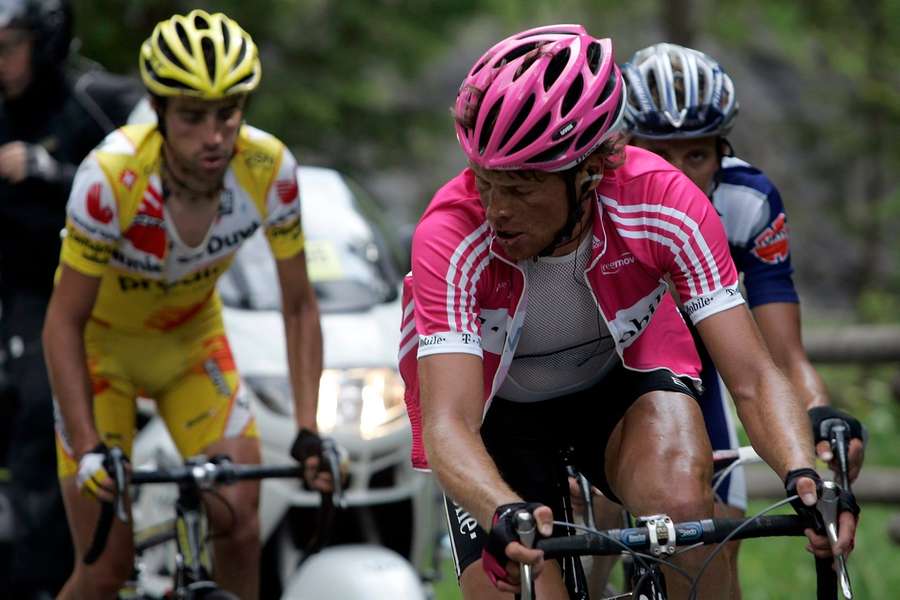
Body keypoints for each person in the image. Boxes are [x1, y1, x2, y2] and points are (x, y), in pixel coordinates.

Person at [398, 25, 858, 599]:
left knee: (685, 511)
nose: (495, 209)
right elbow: (450, 423)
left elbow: (754, 375)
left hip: (616, 383)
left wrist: (807, 478)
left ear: (589, 171)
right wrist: (499, 510)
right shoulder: (450, 233)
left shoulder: (661, 200)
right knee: (522, 580)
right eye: (486, 182)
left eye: (519, 187)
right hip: (495, 412)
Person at [42, 10, 325, 600]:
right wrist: (91, 445)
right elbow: (63, 322)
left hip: (191, 347)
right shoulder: (111, 177)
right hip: (100, 356)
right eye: (193, 117)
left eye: (228, 114)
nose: (215, 135)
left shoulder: (269, 170)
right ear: (160, 111)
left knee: (241, 523)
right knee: (104, 568)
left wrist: (306, 427)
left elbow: (299, 307)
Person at [615, 41, 867, 595]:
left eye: (697, 155)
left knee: (711, 556)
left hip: (697, 381)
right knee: (582, 551)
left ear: (722, 149)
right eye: (659, 154)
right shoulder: (596, 200)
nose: (678, 177)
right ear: (624, 146)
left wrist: (821, 416)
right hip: (600, 380)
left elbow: (782, 354)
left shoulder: (749, 202)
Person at [0, 0, 142, 596]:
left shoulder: (96, 98)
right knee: (26, 418)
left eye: (8, 47)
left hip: (100, 301)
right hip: (18, 296)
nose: (0, 63)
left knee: (42, 416)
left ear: (47, 41)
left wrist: (49, 169)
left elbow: (156, 155)